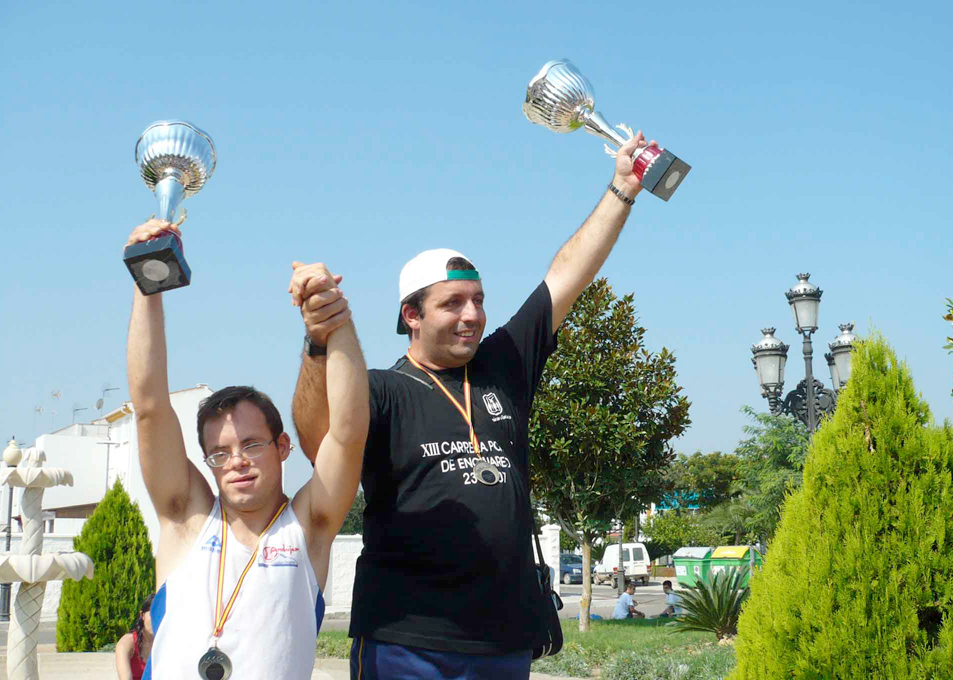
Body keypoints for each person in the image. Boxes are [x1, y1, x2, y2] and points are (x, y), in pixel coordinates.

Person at [291, 132, 660, 679]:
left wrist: (622, 188)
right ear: (411, 315)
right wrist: (318, 342)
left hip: (503, 641)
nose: (472, 315)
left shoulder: (502, 366)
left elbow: (565, 278)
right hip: (404, 640)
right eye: (453, 303)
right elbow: (318, 438)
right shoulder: (382, 390)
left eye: (479, 300)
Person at [125, 219, 368, 679]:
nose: (236, 460)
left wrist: (334, 320)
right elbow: (150, 407)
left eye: (252, 444)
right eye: (220, 452)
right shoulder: (185, 519)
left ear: (283, 447)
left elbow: (348, 431)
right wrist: (147, 282)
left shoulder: (310, 526)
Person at [115, 594, 155, 680]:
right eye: (152, 614)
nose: (156, 619)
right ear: (142, 615)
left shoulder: (167, 643)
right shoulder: (126, 644)